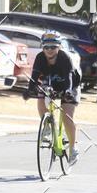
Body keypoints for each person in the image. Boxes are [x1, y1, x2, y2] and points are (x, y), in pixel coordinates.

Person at [23, 30, 81, 165]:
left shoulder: (65, 58)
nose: (49, 50)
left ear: (59, 47)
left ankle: (73, 148)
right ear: (42, 47)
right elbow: (34, 77)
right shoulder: (40, 58)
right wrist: (29, 90)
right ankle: (48, 125)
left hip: (70, 85)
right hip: (51, 84)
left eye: (53, 47)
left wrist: (67, 91)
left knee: (67, 116)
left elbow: (69, 78)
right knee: (40, 97)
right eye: (46, 47)